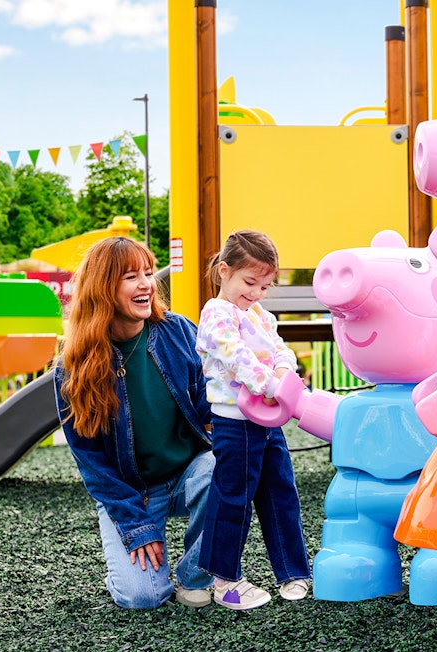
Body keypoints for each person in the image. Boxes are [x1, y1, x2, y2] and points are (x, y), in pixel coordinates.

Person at [53, 236, 215, 610]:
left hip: (189, 472)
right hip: (132, 492)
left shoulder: (177, 332)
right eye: (131, 276)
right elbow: (93, 465)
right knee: (142, 598)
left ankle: (195, 576)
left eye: (147, 273)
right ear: (103, 288)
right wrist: (135, 527)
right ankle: (134, 568)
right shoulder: (71, 369)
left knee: (223, 469)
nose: (147, 283)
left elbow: (211, 407)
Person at [195, 230, 312, 610]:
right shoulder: (217, 314)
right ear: (224, 271)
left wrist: (282, 371)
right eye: (250, 282)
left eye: (265, 285)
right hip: (235, 420)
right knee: (233, 497)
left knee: (281, 492)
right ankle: (224, 579)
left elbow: (280, 350)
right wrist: (271, 384)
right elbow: (236, 356)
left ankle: (293, 571)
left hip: (267, 420)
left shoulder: (259, 314)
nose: (258, 292)